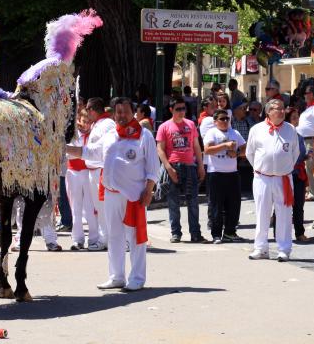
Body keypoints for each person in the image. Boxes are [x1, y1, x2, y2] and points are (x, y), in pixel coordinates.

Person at [68, 97, 159, 291]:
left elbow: (153, 168)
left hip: (133, 195)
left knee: (135, 238)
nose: (122, 115)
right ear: (114, 114)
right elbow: (91, 152)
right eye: (118, 112)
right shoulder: (110, 135)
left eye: (125, 111)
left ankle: (137, 278)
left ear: (133, 113)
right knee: (114, 236)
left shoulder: (144, 136)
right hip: (110, 194)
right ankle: (117, 276)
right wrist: (65, 149)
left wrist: (148, 191)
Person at [246, 99, 300, 261]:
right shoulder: (257, 129)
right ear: (268, 112)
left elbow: (295, 153)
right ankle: (261, 248)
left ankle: (284, 249)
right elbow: (250, 153)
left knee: (284, 214)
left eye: (283, 108)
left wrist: (283, 168)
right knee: (262, 213)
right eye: (277, 109)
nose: (282, 111)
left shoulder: (290, 129)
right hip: (262, 178)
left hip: (283, 178)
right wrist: (262, 168)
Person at [156, 97, 208, 243]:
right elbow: (160, 149)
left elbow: (196, 146)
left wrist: (200, 166)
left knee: (193, 202)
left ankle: (195, 234)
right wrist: (168, 168)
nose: (181, 111)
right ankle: (176, 233)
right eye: (178, 109)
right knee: (173, 202)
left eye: (183, 108)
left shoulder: (190, 124)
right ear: (171, 110)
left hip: (190, 166)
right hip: (173, 165)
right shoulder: (164, 127)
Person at [203, 109, 246, 243]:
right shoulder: (212, 133)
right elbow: (207, 150)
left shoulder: (235, 133)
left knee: (234, 204)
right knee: (216, 205)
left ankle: (229, 232)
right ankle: (216, 234)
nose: (226, 121)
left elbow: (245, 149)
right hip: (216, 173)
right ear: (215, 121)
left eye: (227, 119)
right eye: (222, 119)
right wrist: (225, 146)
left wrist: (236, 153)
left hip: (232, 173)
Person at [84, 97, 116, 251]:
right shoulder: (97, 123)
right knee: (99, 208)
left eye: (87, 109)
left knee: (104, 208)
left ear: (92, 109)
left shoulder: (108, 123)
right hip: (94, 171)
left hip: (101, 170)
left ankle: (107, 239)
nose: (86, 113)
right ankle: (104, 238)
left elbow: (108, 147)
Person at [66, 109, 98, 250]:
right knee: (75, 208)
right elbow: (69, 154)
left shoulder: (94, 134)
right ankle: (77, 239)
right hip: (73, 172)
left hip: (88, 172)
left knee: (91, 207)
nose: (86, 125)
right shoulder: (72, 133)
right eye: (84, 121)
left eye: (89, 122)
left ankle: (94, 239)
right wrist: (83, 152)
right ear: (79, 120)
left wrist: (79, 152)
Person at [284, 107, 310, 242]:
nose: (297, 119)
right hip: (287, 174)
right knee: (283, 205)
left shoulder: (298, 135)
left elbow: (299, 156)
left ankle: (299, 233)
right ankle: (280, 234)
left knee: (299, 205)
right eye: (293, 117)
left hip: (298, 174)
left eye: (297, 116)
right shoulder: (284, 135)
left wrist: (307, 156)